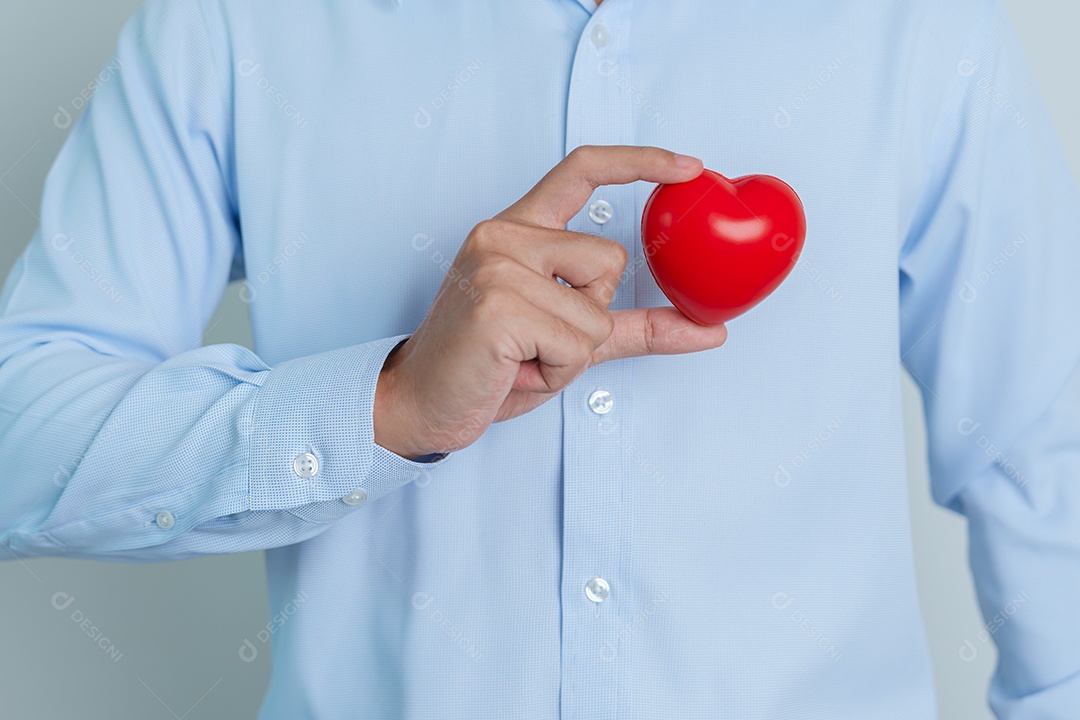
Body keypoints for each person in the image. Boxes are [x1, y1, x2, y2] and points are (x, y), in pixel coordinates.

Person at [2, 0, 1078, 717]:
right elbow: (21, 441)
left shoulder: (923, 25)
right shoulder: (235, 23)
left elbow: (1044, 449)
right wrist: (382, 406)